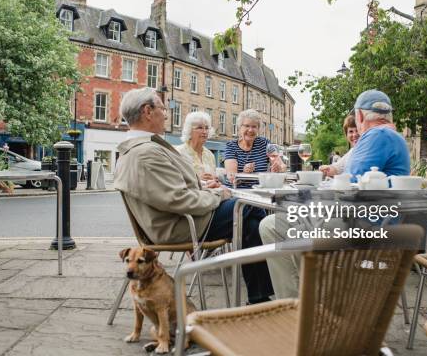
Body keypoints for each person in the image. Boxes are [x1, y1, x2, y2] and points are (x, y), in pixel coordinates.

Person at [114, 88, 273, 304]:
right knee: (249, 207)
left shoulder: (142, 148)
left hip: (181, 218)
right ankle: (262, 292)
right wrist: (218, 195)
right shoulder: (145, 153)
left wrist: (212, 191)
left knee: (250, 218)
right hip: (180, 225)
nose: (166, 114)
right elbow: (179, 200)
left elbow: (178, 192)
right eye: (162, 108)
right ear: (147, 111)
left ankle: (259, 296)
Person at [258, 89, 410, 299]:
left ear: (359, 116)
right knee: (272, 225)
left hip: (362, 225)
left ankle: (305, 307)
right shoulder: (391, 136)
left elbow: (349, 185)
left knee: (279, 228)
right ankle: (299, 304)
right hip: (369, 220)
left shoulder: (377, 135)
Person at [224, 109, 285, 187]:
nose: (250, 130)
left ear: (258, 129)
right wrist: (244, 174)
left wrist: (279, 168)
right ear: (240, 127)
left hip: (260, 190)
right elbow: (231, 179)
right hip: (237, 191)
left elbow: (282, 166)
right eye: (247, 126)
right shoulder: (231, 146)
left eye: (254, 126)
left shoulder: (264, 143)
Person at [176, 111, 218, 186]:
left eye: (207, 128)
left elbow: (214, 179)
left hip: (209, 195)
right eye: (200, 128)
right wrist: (197, 180)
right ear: (189, 130)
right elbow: (174, 180)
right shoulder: (178, 152)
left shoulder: (210, 155)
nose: (204, 132)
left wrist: (214, 180)